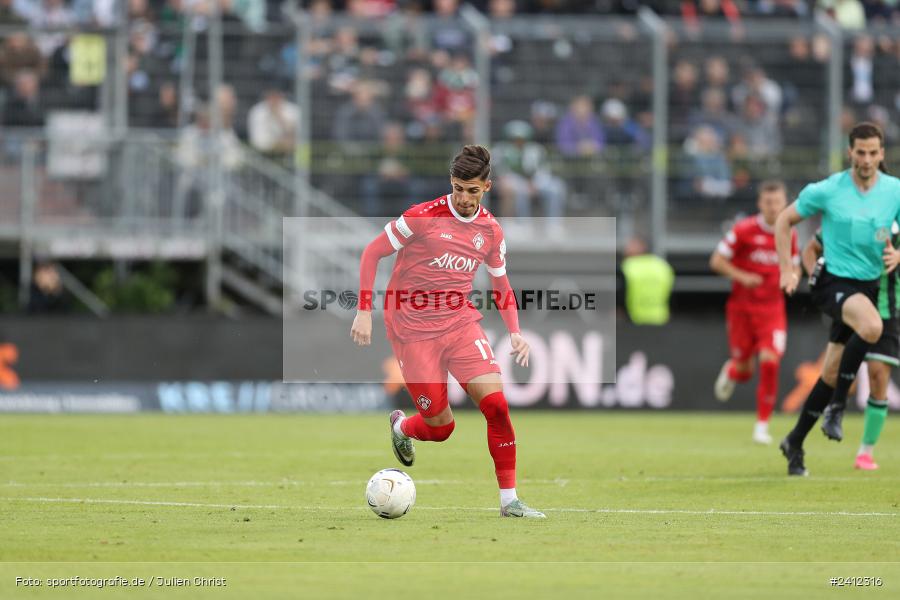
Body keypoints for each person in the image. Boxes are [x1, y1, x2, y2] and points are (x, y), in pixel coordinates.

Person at [350, 145, 545, 518]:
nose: (464, 197)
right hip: (412, 328)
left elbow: (501, 284)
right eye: (458, 188)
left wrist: (515, 331)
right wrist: (364, 310)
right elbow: (372, 253)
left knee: (497, 407)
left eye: (472, 190)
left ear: (486, 187)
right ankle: (403, 426)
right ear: (451, 183)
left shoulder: (490, 230)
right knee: (441, 428)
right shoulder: (421, 217)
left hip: (459, 321)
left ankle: (510, 502)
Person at [775, 121, 900, 476]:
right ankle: (837, 409)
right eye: (860, 152)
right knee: (872, 325)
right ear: (850, 153)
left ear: (881, 154)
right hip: (832, 281)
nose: (866, 159)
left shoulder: (894, 191)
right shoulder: (830, 189)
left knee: (830, 371)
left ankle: (794, 442)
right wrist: (788, 268)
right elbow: (785, 220)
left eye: (873, 152)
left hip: (868, 287)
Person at [710, 180, 799, 444]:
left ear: (785, 203)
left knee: (770, 361)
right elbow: (716, 261)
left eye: (778, 202)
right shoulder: (743, 230)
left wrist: (792, 278)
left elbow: (795, 267)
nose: (773, 207)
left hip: (772, 310)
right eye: (768, 202)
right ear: (760, 203)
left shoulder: (790, 234)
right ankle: (732, 371)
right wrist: (742, 276)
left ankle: (762, 425)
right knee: (745, 370)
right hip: (742, 309)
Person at [803, 226, 896, 470]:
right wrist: (819, 284)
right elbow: (812, 247)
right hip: (853, 302)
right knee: (830, 373)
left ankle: (865, 451)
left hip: (889, 309)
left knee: (878, 375)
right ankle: (796, 438)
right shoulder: (855, 213)